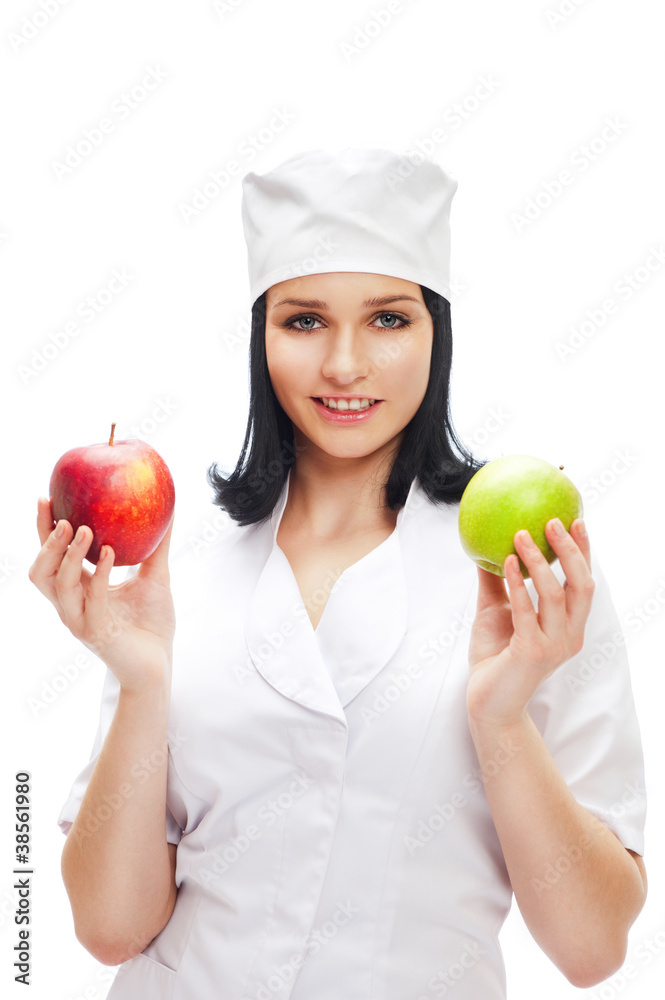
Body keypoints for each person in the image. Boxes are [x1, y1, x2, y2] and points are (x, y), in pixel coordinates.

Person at [30, 147, 647, 1000]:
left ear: (438, 331)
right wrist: (138, 682)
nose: (345, 365)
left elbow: (590, 949)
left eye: (389, 319)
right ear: (262, 337)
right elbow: (109, 929)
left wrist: (500, 715)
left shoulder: (525, 573)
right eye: (305, 320)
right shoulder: (187, 569)